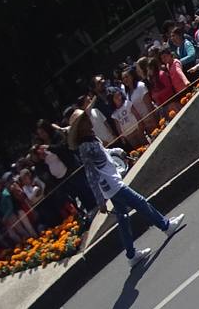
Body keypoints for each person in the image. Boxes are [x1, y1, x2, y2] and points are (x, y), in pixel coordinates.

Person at [67, 110, 185, 268]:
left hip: (112, 183)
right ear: (81, 127)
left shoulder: (91, 139)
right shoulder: (85, 147)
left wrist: (115, 151)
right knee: (141, 203)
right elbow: (91, 174)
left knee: (123, 219)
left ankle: (131, 254)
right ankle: (165, 226)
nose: (90, 121)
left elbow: (103, 154)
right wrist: (100, 200)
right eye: (86, 120)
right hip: (112, 185)